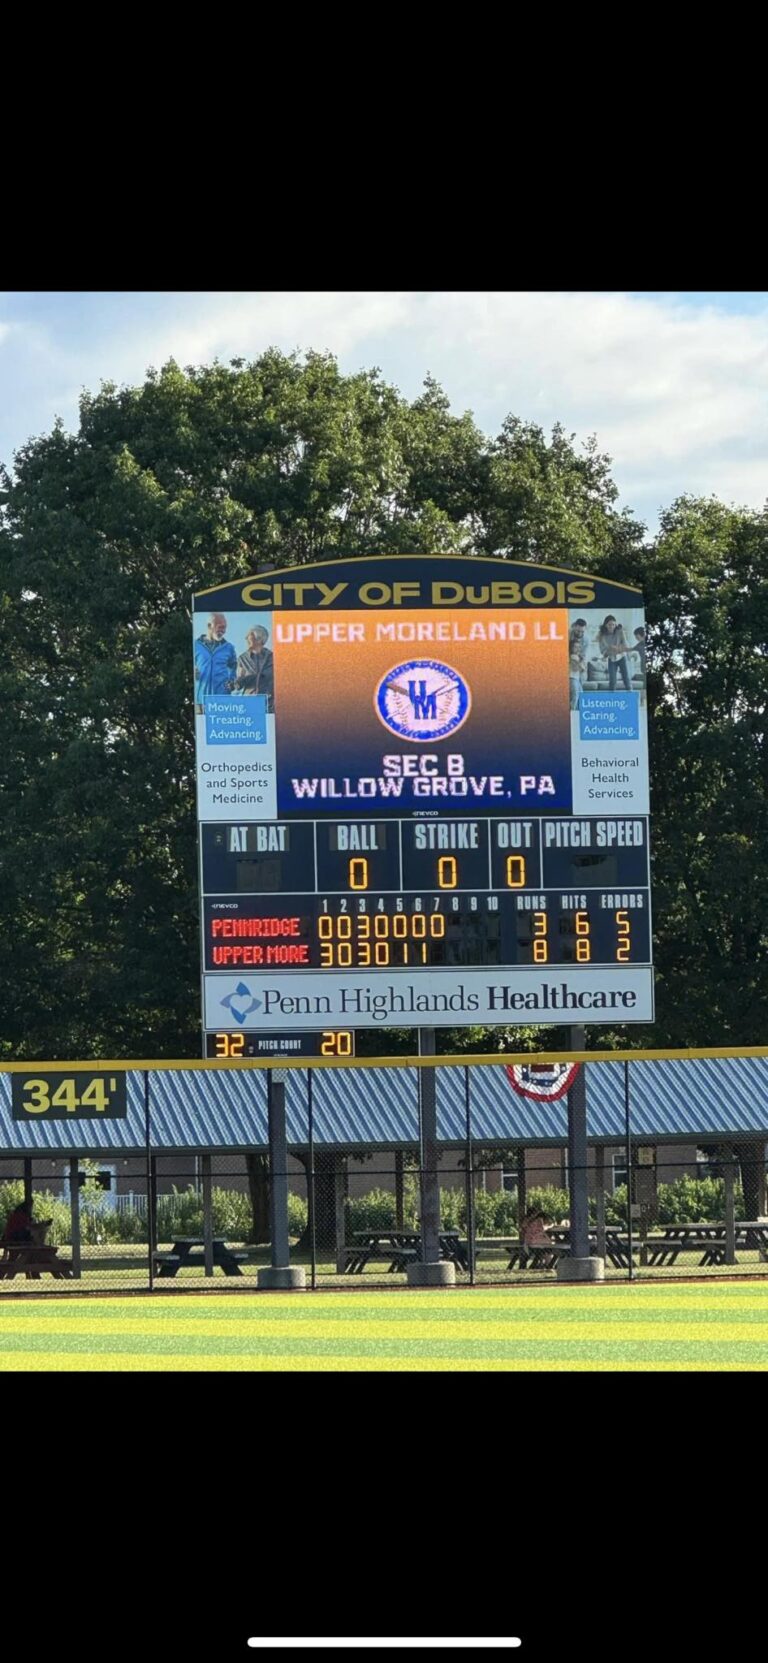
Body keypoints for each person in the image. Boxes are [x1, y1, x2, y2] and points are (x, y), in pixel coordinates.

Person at [194, 614, 237, 702]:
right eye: (220, 627)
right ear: (209, 626)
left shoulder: (229, 647)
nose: (223, 631)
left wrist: (232, 681)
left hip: (223, 699)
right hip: (201, 699)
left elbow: (234, 666)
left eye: (225, 628)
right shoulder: (195, 645)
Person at [235, 625, 275, 713]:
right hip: (249, 705)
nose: (245, 638)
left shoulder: (273, 658)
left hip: (269, 706)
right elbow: (239, 681)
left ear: (259, 638)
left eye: (249, 635)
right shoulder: (242, 659)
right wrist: (236, 683)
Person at [598, 615, 632, 692]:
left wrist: (616, 648)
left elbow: (626, 645)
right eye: (609, 624)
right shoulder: (602, 636)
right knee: (612, 680)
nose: (611, 626)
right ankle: (611, 699)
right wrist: (608, 652)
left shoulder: (620, 632)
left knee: (626, 678)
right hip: (612, 658)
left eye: (613, 624)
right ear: (605, 625)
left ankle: (631, 697)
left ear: (615, 625)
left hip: (622, 657)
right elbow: (602, 650)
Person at [568, 618, 588, 709]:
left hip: (578, 670)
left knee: (580, 693)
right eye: (578, 631)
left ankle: (579, 714)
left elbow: (583, 655)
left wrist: (582, 666)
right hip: (570, 668)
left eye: (582, 631)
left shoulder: (586, 639)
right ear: (574, 627)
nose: (580, 633)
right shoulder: (568, 634)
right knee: (575, 693)